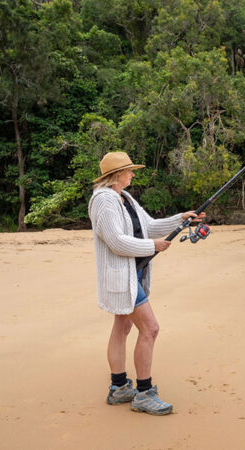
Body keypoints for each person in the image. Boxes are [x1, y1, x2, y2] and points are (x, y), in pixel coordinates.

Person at [88, 151, 203, 415]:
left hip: (133, 272)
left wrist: (181, 219)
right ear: (117, 174)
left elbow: (149, 225)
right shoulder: (104, 201)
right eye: (129, 170)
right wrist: (154, 246)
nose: (133, 174)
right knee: (150, 329)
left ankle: (119, 388)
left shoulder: (124, 197)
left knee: (123, 326)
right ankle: (143, 393)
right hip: (122, 276)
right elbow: (115, 241)